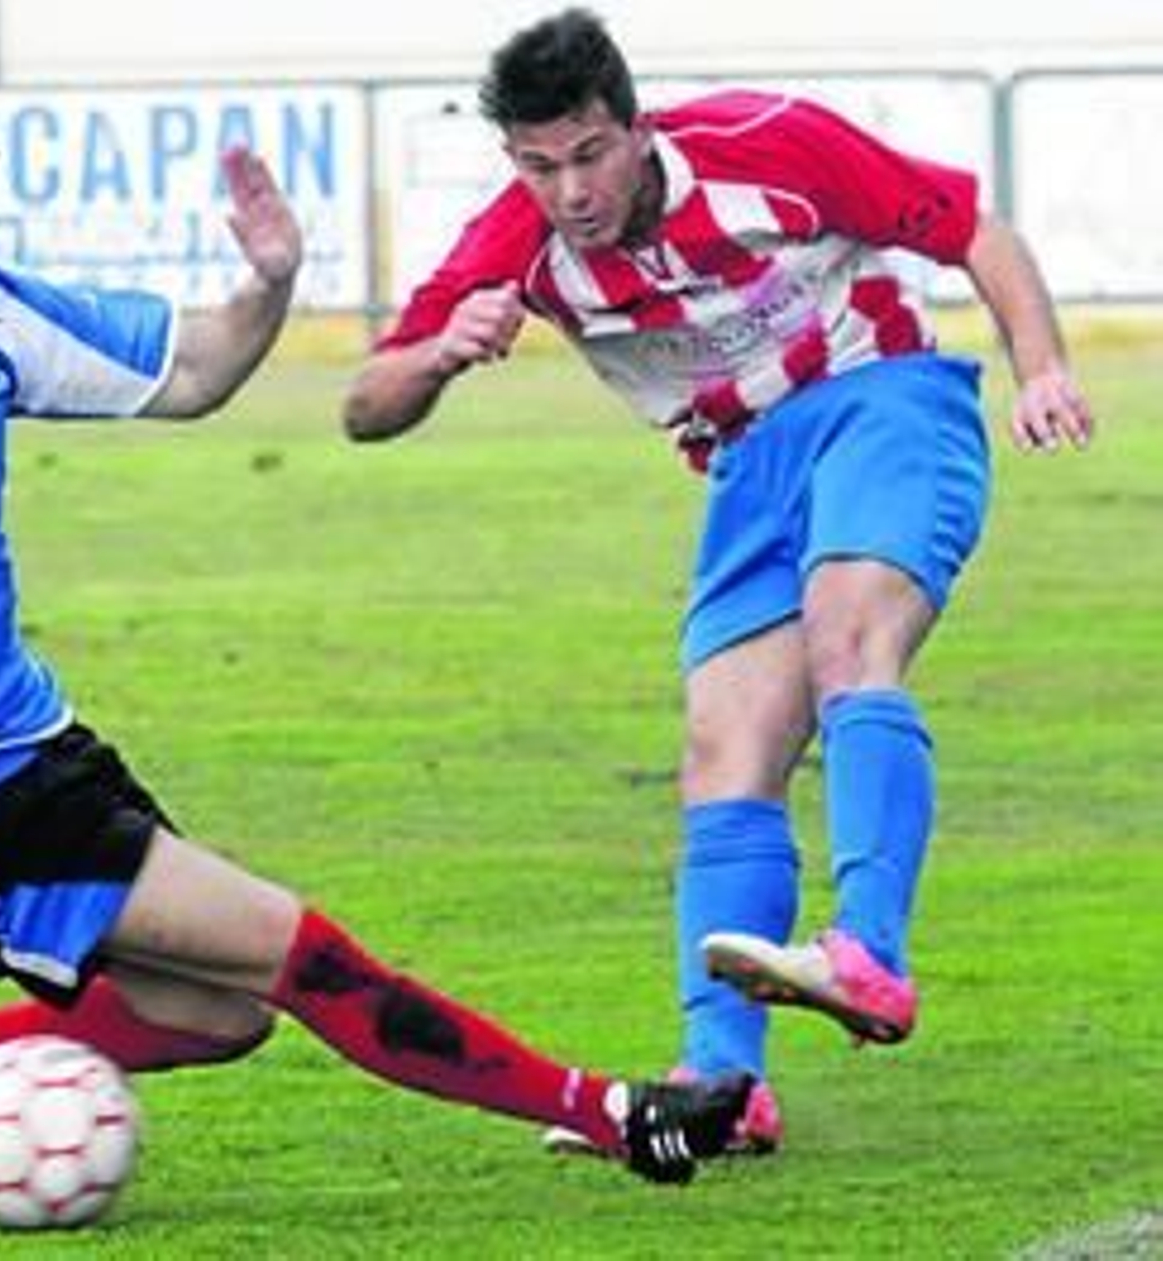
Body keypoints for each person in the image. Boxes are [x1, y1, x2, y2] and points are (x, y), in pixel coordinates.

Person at [0, 100, 751, 1198]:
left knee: (222, 1017)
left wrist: (270, 282)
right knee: (303, 953)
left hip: (38, 742)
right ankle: (620, 1116)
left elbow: (196, 371)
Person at [342, 8, 1093, 1155]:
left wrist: (1040, 370)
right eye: (540, 166)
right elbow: (365, 406)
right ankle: (722, 1083)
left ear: (635, 129)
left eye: (589, 153)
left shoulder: (769, 143)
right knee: (721, 756)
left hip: (883, 399)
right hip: (746, 468)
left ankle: (870, 955)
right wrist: (442, 352)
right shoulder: (516, 238)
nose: (571, 190)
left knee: (851, 639)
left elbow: (975, 232)